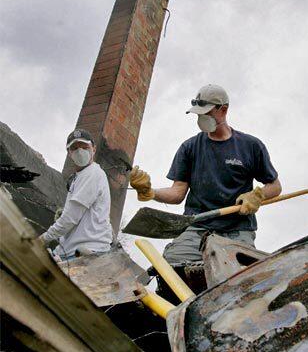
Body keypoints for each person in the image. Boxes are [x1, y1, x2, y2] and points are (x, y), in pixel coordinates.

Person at [130, 84, 281, 264]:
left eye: (206, 113)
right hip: (197, 228)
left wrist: (257, 195)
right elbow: (177, 193)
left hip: (237, 230)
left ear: (223, 110)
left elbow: (276, 186)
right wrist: (151, 192)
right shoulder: (189, 148)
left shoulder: (250, 146)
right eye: (199, 114)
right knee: (172, 264)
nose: (201, 118)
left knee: (238, 273)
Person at [40, 129, 113, 260]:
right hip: (71, 250)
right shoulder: (79, 177)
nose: (80, 151)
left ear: (93, 149)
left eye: (84, 147)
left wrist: (43, 239)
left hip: (87, 250)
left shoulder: (92, 174)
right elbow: (75, 215)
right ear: (69, 153)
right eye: (74, 148)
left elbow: (70, 218)